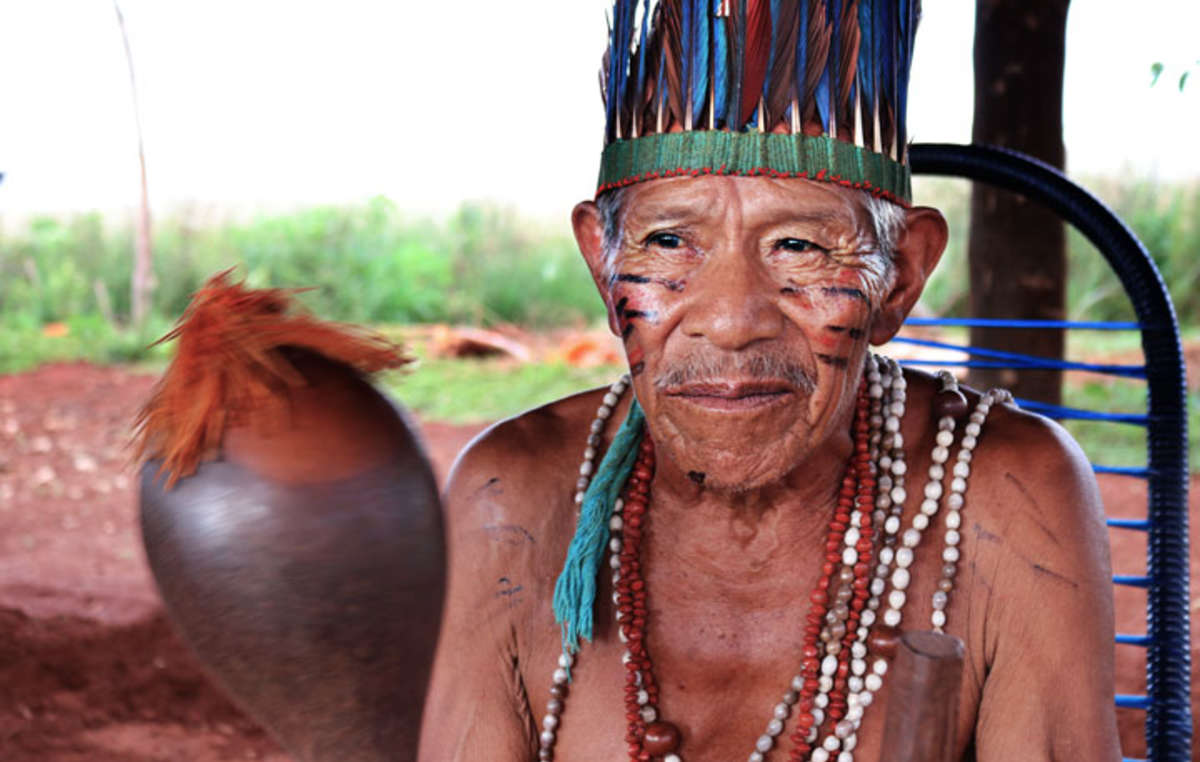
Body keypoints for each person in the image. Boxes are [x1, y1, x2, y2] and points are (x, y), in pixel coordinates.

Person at [419, 2, 1120, 760]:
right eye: (669, 240)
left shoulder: (1004, 496)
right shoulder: (512, 497)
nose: (731, 319)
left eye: (799, 246)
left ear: (903, 275)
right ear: (601, 257)